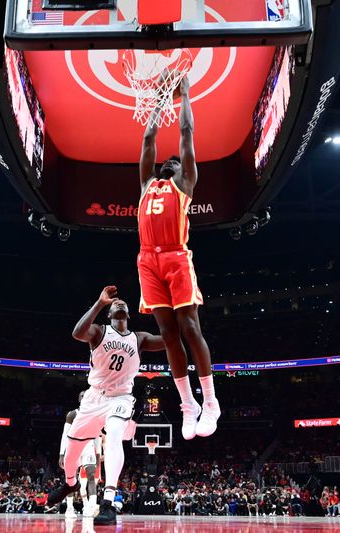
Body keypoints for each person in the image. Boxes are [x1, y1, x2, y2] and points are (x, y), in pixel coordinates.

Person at [137, 75, 220, 440]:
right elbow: (147, 139)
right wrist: (158, 100)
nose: (169, 162)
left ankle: (211, 401)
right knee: (168, 334)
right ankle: (187, 404)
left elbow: (185, 133)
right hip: (147, 262)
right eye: (166, 163)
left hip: (175, 257)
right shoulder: (145, 185)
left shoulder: (184, 183)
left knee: (189, 328)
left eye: (174, 162)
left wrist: (185, 94)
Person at [46, 286, 164, 525]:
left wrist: (176, 315)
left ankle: (108, 501)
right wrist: (100, 303)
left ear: (129, 314)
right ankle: (70, 484)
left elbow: (170, 339)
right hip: (93, 398)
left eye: (122, 305)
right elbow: (78, 333)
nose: (119, 305)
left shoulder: (139, 338)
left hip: (120, 398)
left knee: (114, 436)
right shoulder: (100, 332)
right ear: (109, 315)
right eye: (114, 306)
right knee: (71, 456)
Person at [59, 392, 102, 518]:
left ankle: (92, 506)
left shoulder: (96, 415)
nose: (85, 398)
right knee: (71, 480)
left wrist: (98, 454)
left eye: (88, 396)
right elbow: (64, 435)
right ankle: (70, 508)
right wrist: (62, 454)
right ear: (79, 399)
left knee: (91, 476)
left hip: (89, 448)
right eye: (83, 396)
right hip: (73, 448)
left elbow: (97, 436)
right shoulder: (72, 414)